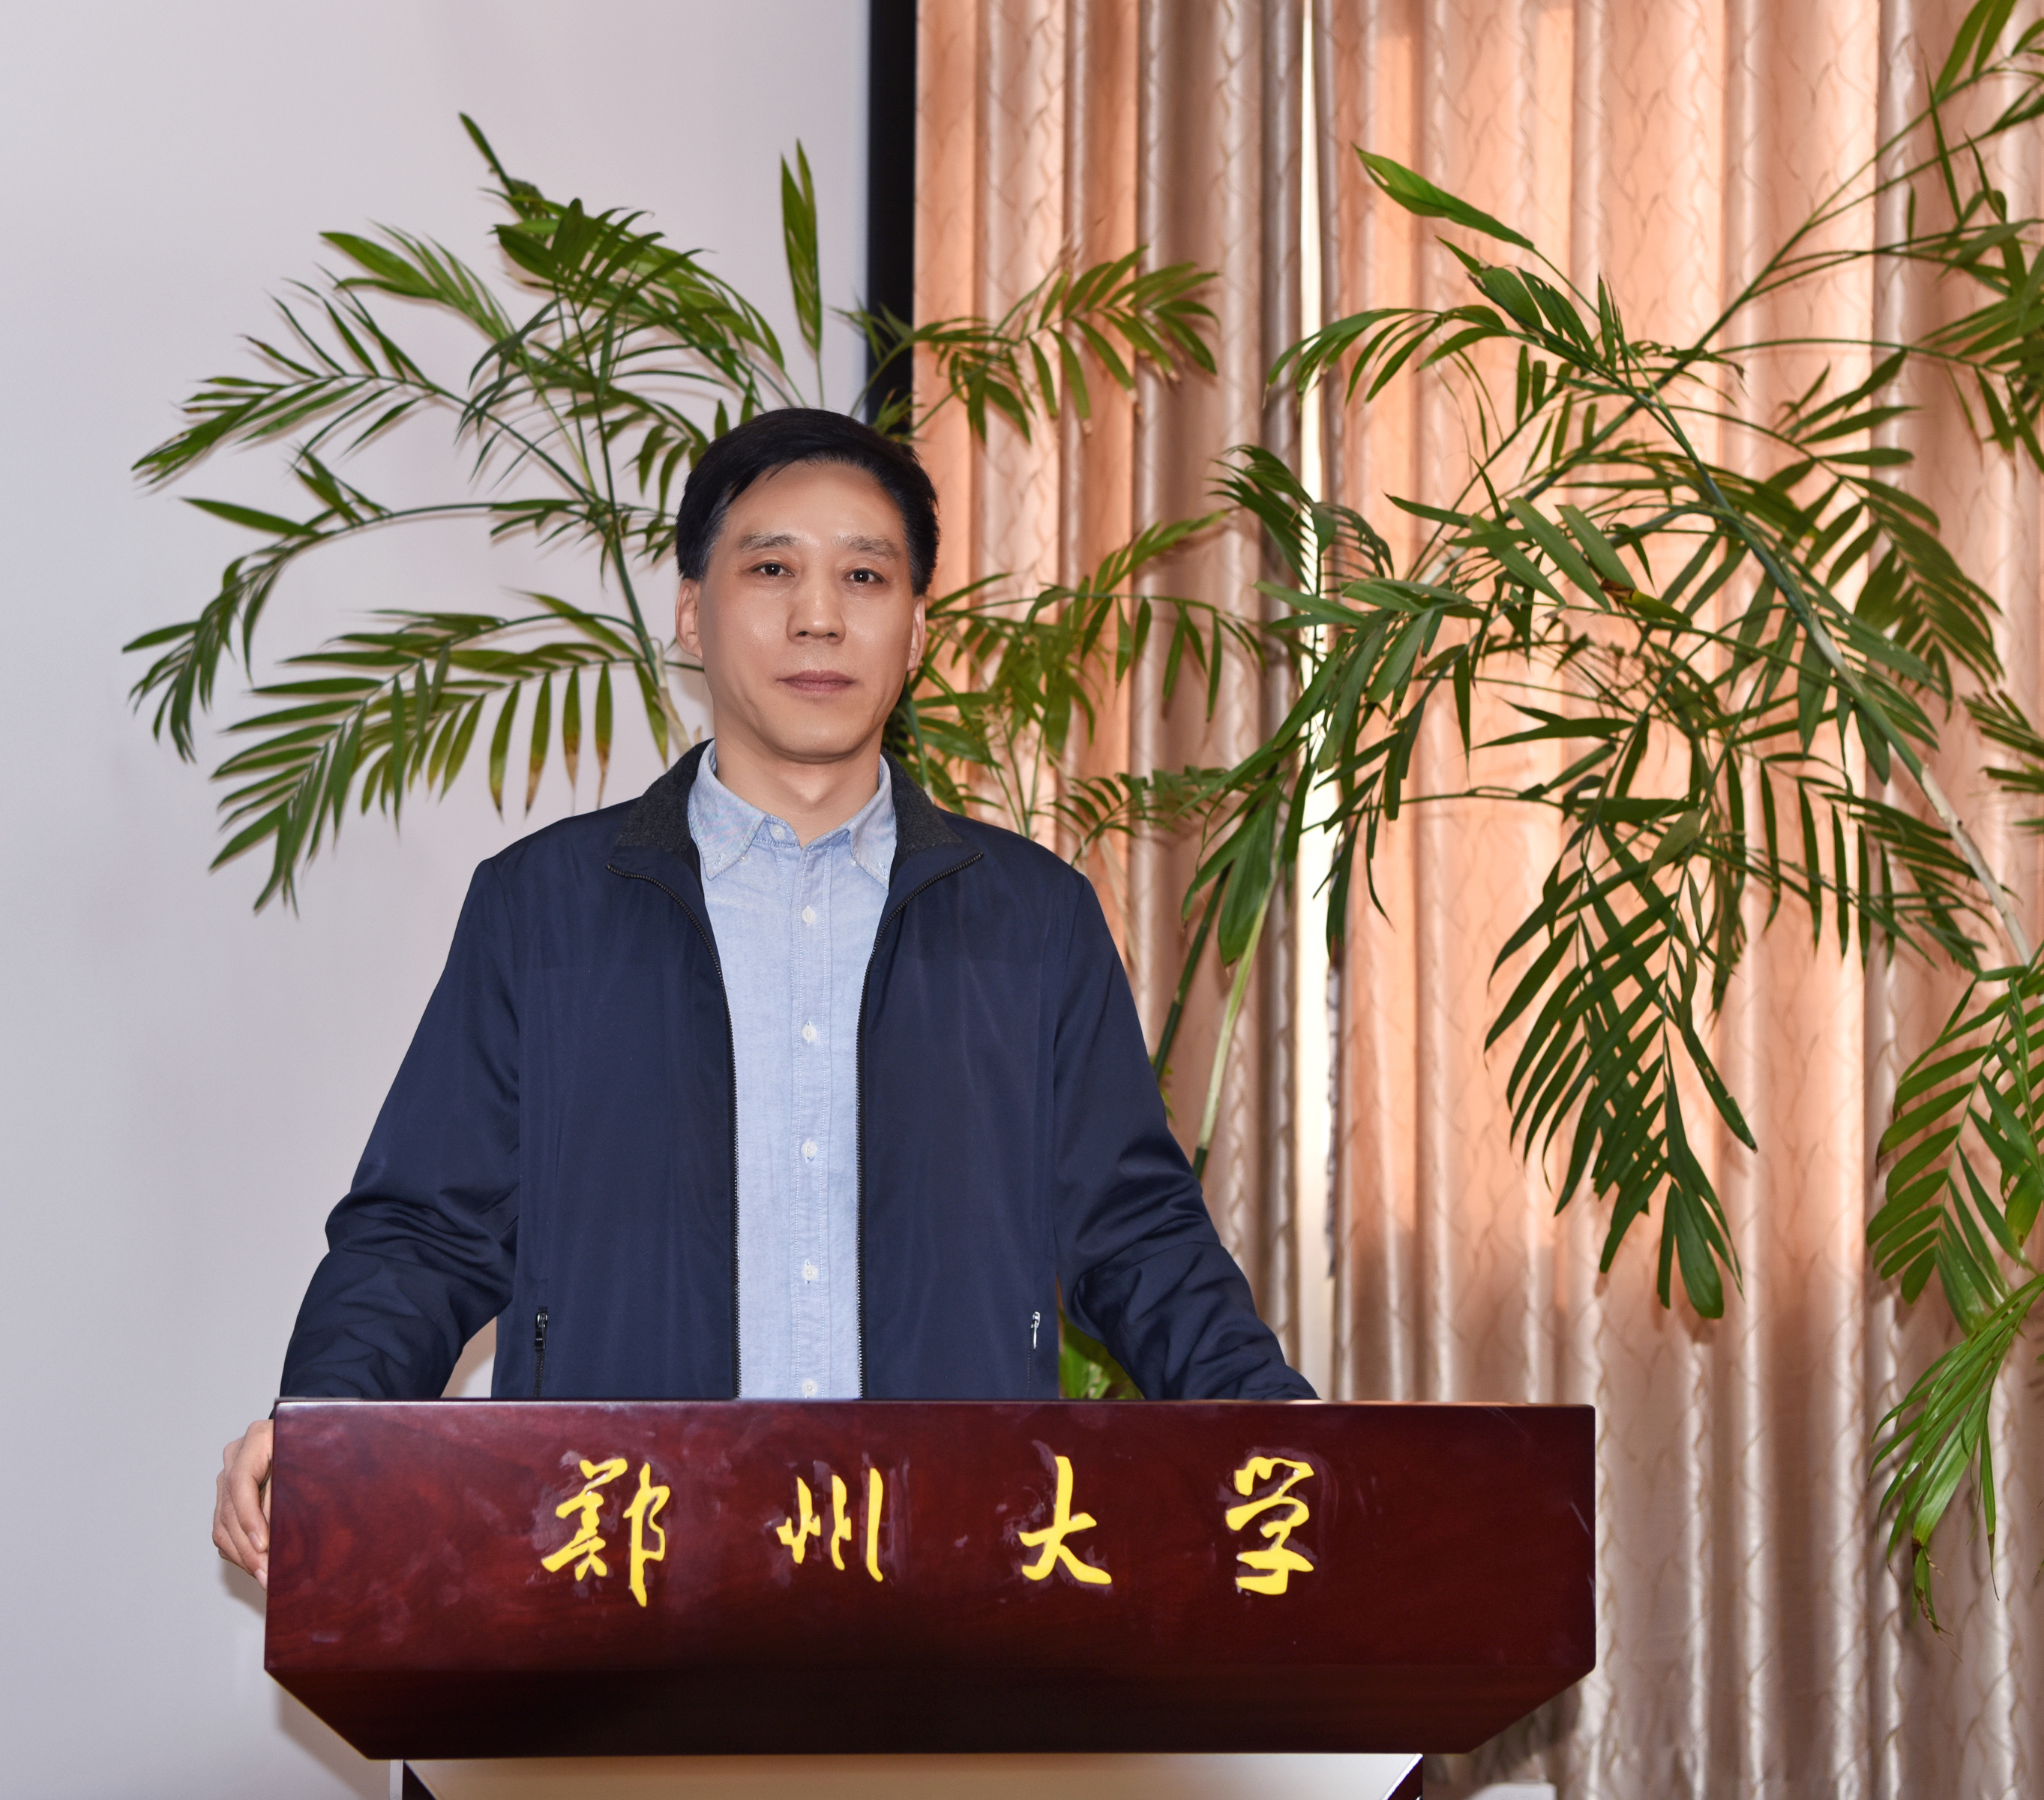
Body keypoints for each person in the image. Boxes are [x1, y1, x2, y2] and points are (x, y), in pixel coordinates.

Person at [212, 408, 1311, 1585]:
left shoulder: (1032, 922)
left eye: (865, 576)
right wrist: (324, 1424)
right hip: (627, 1566)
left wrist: (1294, 1435)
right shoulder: (544, 909)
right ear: (693, 611)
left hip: (948, 1571)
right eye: (773, 568)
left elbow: (1137, 1239)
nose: (819, 616)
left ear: (918, 629)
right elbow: (426, 1233)